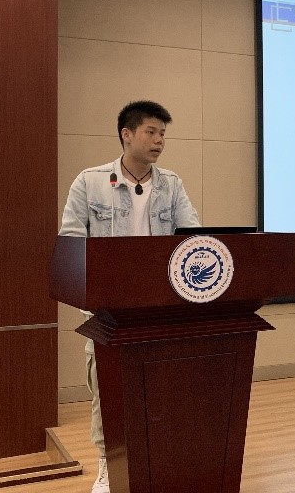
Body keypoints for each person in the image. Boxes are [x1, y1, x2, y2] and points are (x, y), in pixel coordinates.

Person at [59, 100, 200, 493]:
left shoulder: (171, 184)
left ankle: (157, 461)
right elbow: (71, 243)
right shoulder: (90, 182)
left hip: (159, 307)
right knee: (108, 391)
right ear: (127, 134)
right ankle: (109, 464)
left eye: (163, 134)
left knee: (159, 389)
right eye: (151, 132)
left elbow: (193, 237)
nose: (159, 141)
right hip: (108, 310)